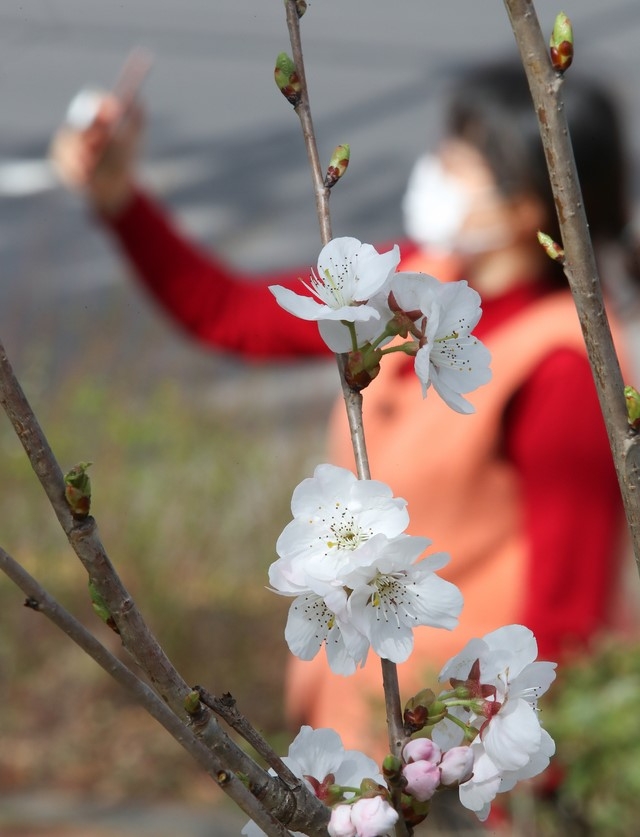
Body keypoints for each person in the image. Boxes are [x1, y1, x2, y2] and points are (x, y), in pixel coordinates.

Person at [51, 59, 637, 755]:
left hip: (457, 752)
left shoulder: (563, 365)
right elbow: (230, 314)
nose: (435, 172)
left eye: (458, 162)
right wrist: (121, 200)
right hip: (365, 732)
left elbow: (567, 617)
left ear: (526, 208)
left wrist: (509, 782)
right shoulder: (416, 284)